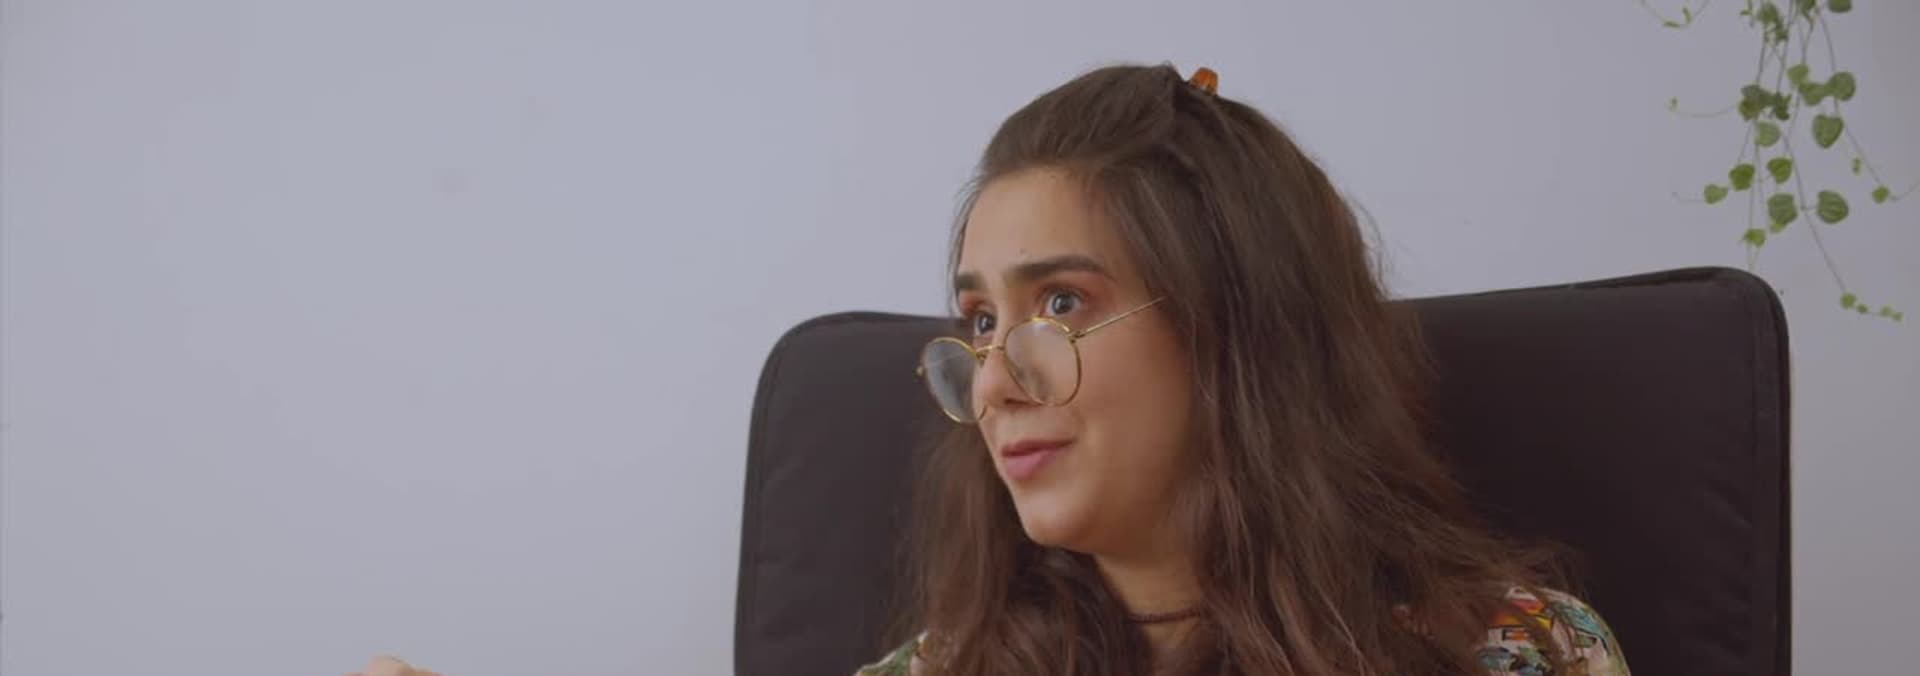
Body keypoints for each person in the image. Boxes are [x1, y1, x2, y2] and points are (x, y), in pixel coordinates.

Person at [355, 63, 1630, 676]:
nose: (995, 381)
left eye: (1059, 303)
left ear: (1238, 327)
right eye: (975, 322)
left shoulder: (1518, 653)